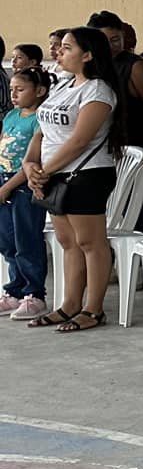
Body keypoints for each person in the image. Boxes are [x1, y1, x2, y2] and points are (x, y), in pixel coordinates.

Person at [25, 27, 124, 332]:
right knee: (68, 242)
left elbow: (80, 140)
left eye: (67, 48)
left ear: (88, 55)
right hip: (54, 173)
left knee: (90, 243)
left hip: (86, 174)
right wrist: (31, 164)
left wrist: (45, 171)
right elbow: (42, 131)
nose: (59, 52)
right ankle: (70, 304)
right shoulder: (64, 84)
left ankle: (93, 309)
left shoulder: (98, 91)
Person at [0, 64, 50, 321]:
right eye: (12, 89)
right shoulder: (11, 116)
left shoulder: (40, 119)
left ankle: (34, 294)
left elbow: (34, 161)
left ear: (39, 91)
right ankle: (14, 291)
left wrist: (8, 187)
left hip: (22, 185)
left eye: (20, 89)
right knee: (7, 241)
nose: (14, 94)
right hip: (3, 180)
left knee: (26, 240)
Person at [87, 11, 143, 154]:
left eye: (115, 39)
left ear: (123, 36)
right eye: (104, 41)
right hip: (94, 142)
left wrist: (131, 127)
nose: (110, 46)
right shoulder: (88, 64)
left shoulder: (136, 67)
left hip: (127, 145)